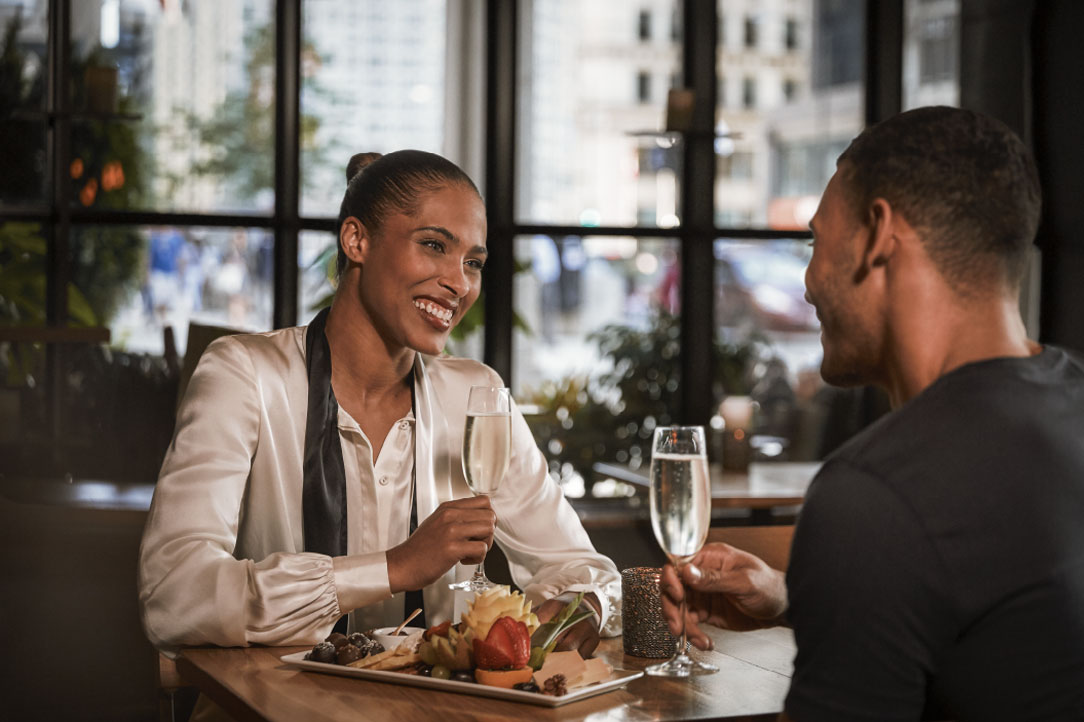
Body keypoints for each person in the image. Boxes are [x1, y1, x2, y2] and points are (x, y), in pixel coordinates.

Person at [660, 106, 1084, 721]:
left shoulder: (876, 496)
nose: (806, 283)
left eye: (816, 240)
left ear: (880, 236)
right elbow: (1017, 638)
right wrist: (794, 598)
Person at [139, 151, 620, 663]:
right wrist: (393, 568)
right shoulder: (244, 375)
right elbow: (172, 595)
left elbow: (589, 572)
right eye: (434, 245)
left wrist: (585, 605)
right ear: (356, 240)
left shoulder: (477, 397)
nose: (459, 283)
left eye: (473, 263)